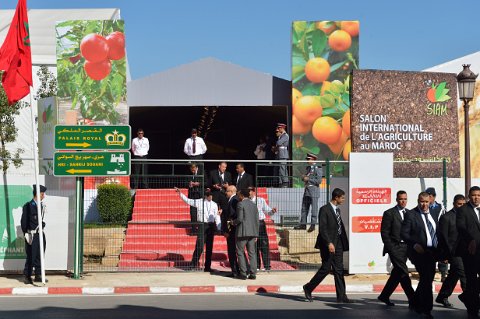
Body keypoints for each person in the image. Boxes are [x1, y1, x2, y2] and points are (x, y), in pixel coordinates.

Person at [303, 188, 353, 304]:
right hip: (328, 244)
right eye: (342, 198)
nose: (343, 200)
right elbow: (323, 229)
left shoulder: (337, 210)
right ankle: (308, 288)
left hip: (339, 243)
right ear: (336, 198)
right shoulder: (324, 210)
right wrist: (329, 243)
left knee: (339, 270)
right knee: (326, 269)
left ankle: (341, 296)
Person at [401, 191, 440, 319]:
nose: (424, 205)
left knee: (426, 279)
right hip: (419, 252)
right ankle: (426, 309)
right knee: (427, 279)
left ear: (430, 201)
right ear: (418, 201)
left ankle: (414, 301)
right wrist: (414, 244)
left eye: (426, 202)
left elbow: (437, 232)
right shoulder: (411, 214)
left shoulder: (434, 213)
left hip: (432, 252)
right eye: (421, 202)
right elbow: (404, 234)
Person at [377, 190, 414, 307]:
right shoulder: (389, 213)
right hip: (395, 247)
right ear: (396, 200)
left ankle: (384, 295)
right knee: (404, 271)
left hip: (406, 248)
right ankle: (413, 299)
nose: (403, 201)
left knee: (397, 273)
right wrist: (391, 248)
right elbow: (384, 233)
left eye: (405, 199)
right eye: (401, 199)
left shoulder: (410, 213)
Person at [175, 188, 221, 272]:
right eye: (209, 195)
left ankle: (207, 267)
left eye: (211, 195)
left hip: (210, 226)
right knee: (199, 246)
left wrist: (219, 227)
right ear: (205, 196)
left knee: (209, 247)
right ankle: (193, 265)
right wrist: (180, 194)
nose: (210, 197)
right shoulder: (199, 201)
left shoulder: (214, 204)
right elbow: (188, 201)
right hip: (202, 225)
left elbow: (216, 216)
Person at [436, 194, 467, 308]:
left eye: (463, 204)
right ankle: (470, 300)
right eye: (459, 204)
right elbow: (443, 238)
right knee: (463, 274)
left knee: (454, 275)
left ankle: (442, 296)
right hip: (453, 253)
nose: (461, 206)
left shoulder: (466, 216)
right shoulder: (446, 217)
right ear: (454, 204)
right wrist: (445, 255)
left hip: (465, 252)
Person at [456, 186, 480, 318]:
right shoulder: (463, 210)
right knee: (471, 280)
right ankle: (473, 309)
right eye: (474, 195)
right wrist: (470, 239)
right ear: (469, 196)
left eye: (478, 195)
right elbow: (460, 227)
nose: (476, 197)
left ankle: (466, 296)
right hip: (470, 251)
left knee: (473, 284)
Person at [21, 185, 47, 284]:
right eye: (42, 194)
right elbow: (24, 222)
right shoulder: (28, 206)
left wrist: (42, 224)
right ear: (37, 194)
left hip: (40, 234)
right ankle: (27, 276)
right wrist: (27, 233)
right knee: (31, 255)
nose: (43, 196)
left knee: (40, 256)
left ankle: (38, 275)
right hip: (32, 235)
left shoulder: (41, 205)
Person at [231, 189, 259, 280]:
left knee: (240, 252)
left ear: (242, 195)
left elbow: (240, 219)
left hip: (242, 232)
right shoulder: (254, 205)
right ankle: (253, 273)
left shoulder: (240, 204)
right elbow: (256, 220)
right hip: (252, 232)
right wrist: (256, 234)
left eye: (239, 195)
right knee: (252, 253)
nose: (238, 197)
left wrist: (232, 222)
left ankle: (243, 273)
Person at [249, 187, 277, 271]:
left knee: (264, 244)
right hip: (251, 224)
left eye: (250, 191)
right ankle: (257, 265)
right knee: (254, 245)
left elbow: (268, 211)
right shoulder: (246, 201)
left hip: (260, 223)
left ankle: (267, 266)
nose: (248, 193)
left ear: (253, 192)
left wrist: (272, 211)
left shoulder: (260, 200)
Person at [294, 153, 323, 232]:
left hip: (314, 190)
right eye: (307, 159)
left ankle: (313, 225)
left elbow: (319, 181)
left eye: (308, 159)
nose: (307, 160)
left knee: (314, 209)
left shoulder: (318, 168)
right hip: (307, 190)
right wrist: (303, 178)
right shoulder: (308, 168)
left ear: (313, 159)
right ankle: (303, 224)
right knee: (304, 208)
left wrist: (308, 179)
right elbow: (306, 178)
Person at [425, 187, 447, 282]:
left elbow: (444, 222)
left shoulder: (441, 208)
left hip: (439, 235)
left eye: (430, 196)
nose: (428, 198)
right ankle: (429, 274)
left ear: (433, 196)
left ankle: (443, 274)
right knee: (429, 257)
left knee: (442, 256)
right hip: (428, 235)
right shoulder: (424, 207)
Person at [222, 185, 239, 277]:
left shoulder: (233, 200)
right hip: (232, 230)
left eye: (227, 191)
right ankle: (236, 270)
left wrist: (227, 231)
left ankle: (235, 271)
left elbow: (231, 216)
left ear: (232, 191)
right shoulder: (232, 200)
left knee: (232, 251)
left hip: (232, 230)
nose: (226, 192)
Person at [186, 163, 202, 233]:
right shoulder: (189, 174)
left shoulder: (202, 172)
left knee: (200, 212)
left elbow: (206, 182)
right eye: (191, 170)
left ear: (196, 168)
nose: (193, 171)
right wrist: (190, 185)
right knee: (193, 213)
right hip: (192, 195)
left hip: (199, 195)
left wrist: (198, 184)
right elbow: (186, 183)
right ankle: (193, 229)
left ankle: (200, 229)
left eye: (194, 170)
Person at [275, 123, 289, 188]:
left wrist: (278, 142)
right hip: (280, 154)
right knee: (281, 168)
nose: (278, 129)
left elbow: (279, 143)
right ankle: (281, 182)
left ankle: (285, 182)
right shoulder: (281, 136)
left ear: (282, 128)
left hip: (283, 154)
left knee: (283, 168)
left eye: (279, 128)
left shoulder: (285, 135)